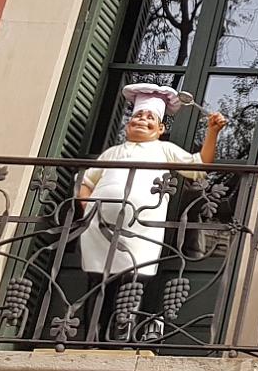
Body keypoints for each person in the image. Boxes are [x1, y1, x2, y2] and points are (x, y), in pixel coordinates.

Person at [75, 83, 228, 286]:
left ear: (160, 128)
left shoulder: (164, 149)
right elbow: (85, 181)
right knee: (96, 282)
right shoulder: (112, 153)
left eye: (150, 117)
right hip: (99, 229)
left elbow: (198, 167)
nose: (142, 120)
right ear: (128, 124)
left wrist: (212, 133)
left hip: (141, 230)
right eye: (138, 115)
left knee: (131, 284)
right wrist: (88, 207)